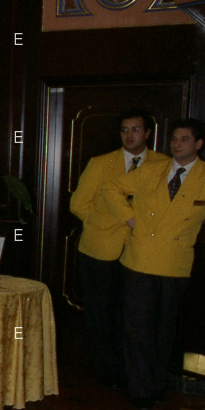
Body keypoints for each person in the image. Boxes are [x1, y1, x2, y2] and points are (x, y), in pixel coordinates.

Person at [102, 118, 205, 410]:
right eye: (174, 138)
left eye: (184, 139)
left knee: (165, 329)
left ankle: (158, 384)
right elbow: (110, 187)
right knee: (137, 327)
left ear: (199, 144)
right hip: (140, 259)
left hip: (175, 263)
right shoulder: (153, 170)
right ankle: (140, 389)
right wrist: (128, 216)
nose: (177, 144)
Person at [69, 110, 167, 388]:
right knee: (102, 313)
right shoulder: (101, 163)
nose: (129, 135)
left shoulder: (163, 164)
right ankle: (106, 372)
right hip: (100, 249)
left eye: (135, 129)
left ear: (147, 133)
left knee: (136, 313)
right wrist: (104, 222)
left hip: (143, 251)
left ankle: (132, 372)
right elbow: (78, 204)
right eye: (124, 130)